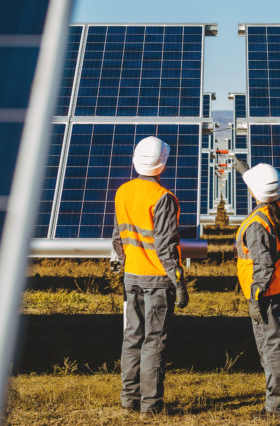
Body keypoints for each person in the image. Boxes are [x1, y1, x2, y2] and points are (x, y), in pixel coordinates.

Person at [110, 136, 190, 415]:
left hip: (131, 275)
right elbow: (166, 247)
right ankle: (151, 405)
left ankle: (128, 400)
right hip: (157, 280)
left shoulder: (123, 191)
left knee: (132, 338)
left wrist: (124, 262)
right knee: (154, 343)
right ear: (162, 164)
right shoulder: (163, 198)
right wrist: (179, 282)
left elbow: (118, 236)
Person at [234, 159, 280, 417]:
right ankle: (277, 403)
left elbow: (263, 265)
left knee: (271, 350)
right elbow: (264, 190)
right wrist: (246, 171)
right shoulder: (278, 209)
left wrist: (255, 298)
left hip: (266, 295)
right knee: (278, 346)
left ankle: (276, 409)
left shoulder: (256, 224)